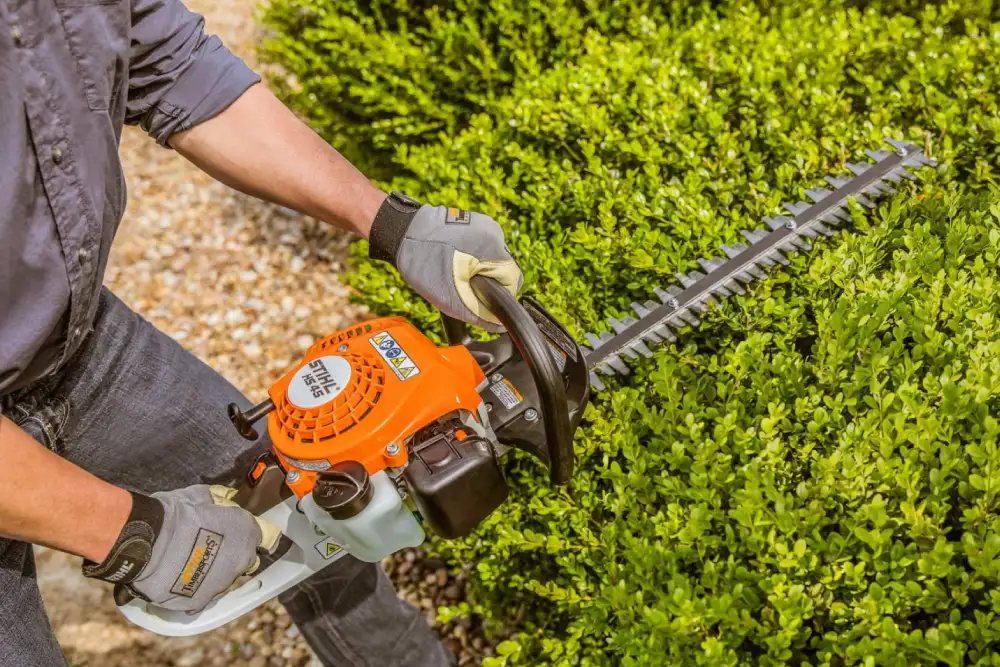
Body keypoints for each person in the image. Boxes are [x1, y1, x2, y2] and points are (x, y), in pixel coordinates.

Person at [0, 0, 523, 664]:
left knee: (320, 521)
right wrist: (130, 531)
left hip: (76, 344)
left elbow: (172, 67)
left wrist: (389, 222)